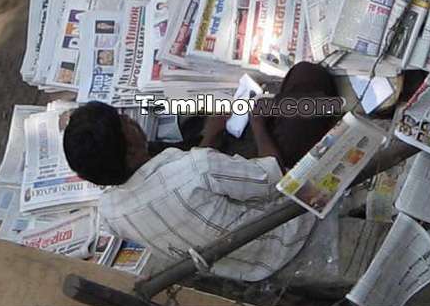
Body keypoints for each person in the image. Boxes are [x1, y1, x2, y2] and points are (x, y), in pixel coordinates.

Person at [63, 62, 339, 281]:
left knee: (198, 126)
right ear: (131, 151)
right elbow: (275, 174)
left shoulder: (111, 213)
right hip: (283, 239)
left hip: (236, 267)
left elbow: (187, 184)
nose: (130, 120)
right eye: (125, 121)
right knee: (307, 77)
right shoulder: (199, 167)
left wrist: (210, 137)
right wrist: (258, 123)